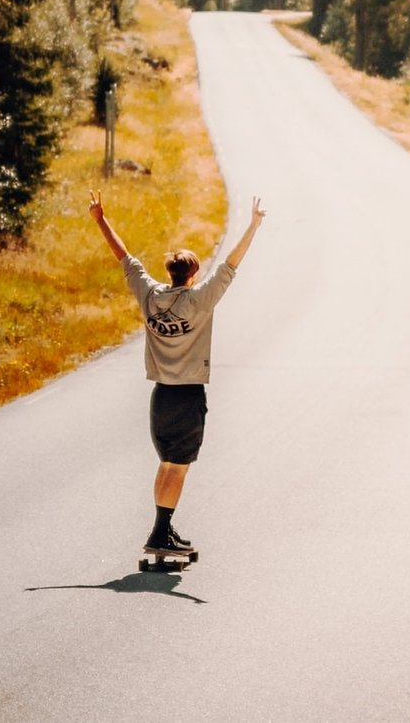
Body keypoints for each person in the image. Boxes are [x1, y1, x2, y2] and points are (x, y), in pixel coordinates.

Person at [89, 190, 267, 556]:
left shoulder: (149, 295)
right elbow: (230, 264)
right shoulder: (200, 300)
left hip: (161, 396)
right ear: (194, 273)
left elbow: (124, 257)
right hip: (188, 396)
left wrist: (100, 219)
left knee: (166, 463)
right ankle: (159, 532)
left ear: (170, 272)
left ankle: (163, 529)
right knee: (179, 467)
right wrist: (253, 225)